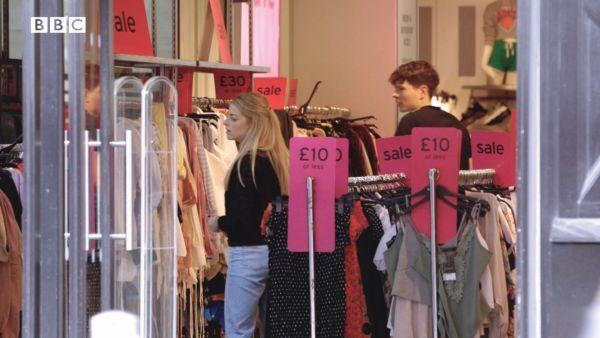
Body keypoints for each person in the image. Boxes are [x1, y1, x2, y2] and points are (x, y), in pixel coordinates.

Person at [207, 92, 289, 338]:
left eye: (233, 118)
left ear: (252, 122)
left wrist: (217, 223)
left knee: (238, 330)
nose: (225, 123)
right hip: (276, 252)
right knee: (272, 327)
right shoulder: (278, 160)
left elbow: (243, 222)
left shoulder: (247, 164)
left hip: (248, 253)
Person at [390, 60, 472, 169]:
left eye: (401, 89)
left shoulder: (410, 122)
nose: (394, 94)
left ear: (422, 91)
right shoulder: (458, 125)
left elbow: (397, 172)